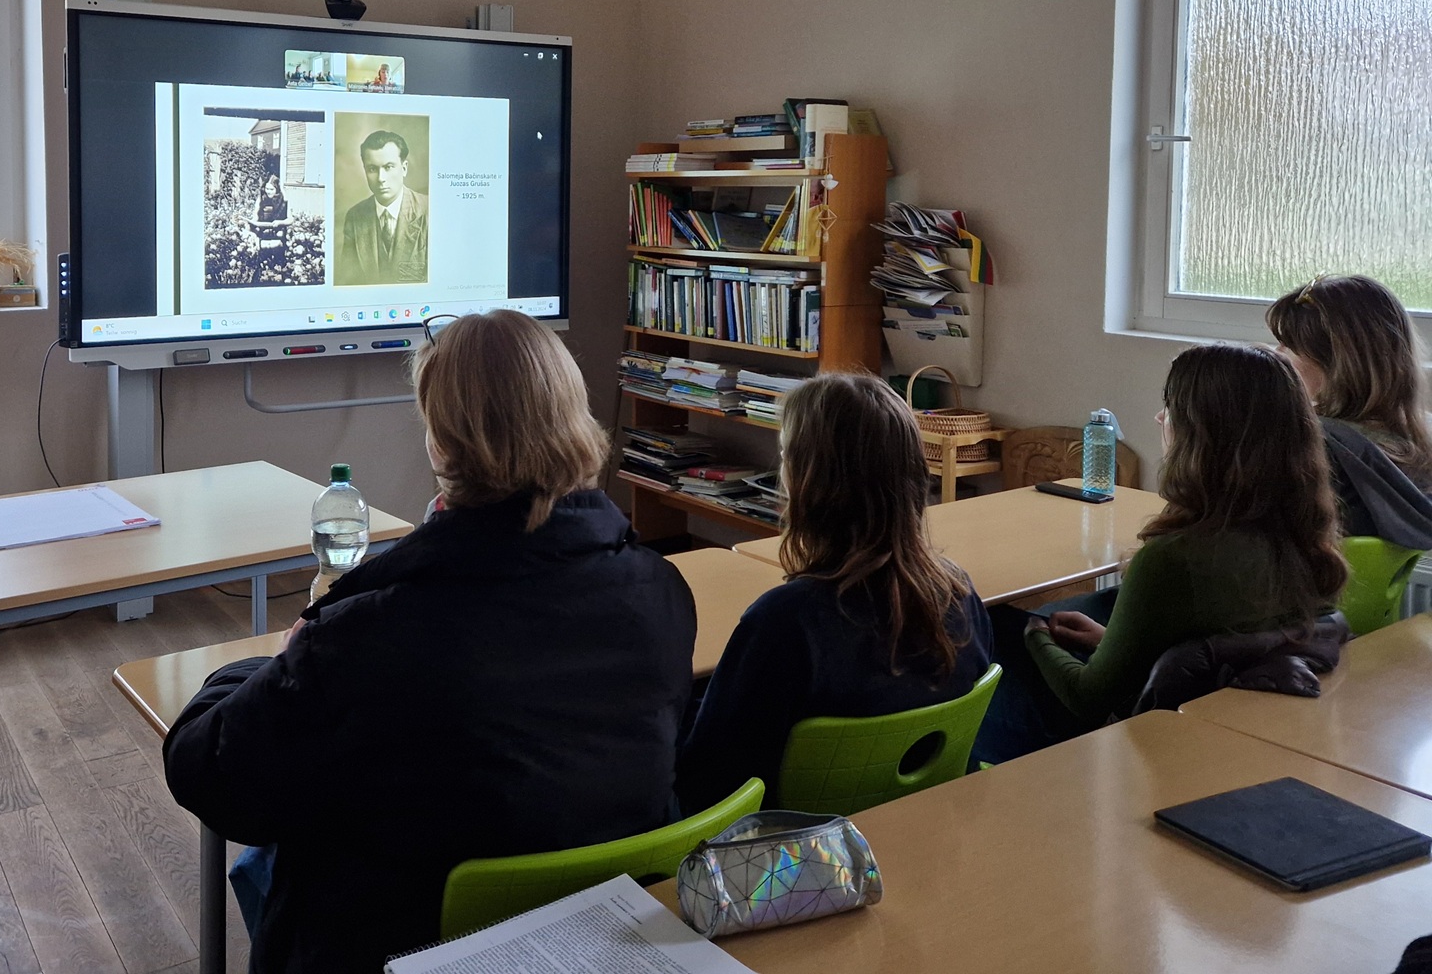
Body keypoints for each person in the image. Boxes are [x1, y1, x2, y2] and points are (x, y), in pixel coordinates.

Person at [162, 309, 695, 973]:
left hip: (404, 945)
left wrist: (260, 666)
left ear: (441, 445)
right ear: (572, 418)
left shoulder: (369, 634)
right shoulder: (661, 592)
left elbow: (207, 774)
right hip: (597, 938)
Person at [976, 344, 1347, 763]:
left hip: (1111, 739)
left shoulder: (1175, 559)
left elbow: (1088, 699)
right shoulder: (1308, 542)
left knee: (986, 634)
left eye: (1169, 407)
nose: (1159, 418)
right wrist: (1111, 642)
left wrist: (1036, 636)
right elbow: (1210, 651)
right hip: (1215, 738)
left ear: (1202, 432)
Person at [674, 374, 991, 814]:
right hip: (919, 826)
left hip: (791, 856)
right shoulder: (959, 594)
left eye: (786, 456)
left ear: (809, 482)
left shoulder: (784, 622)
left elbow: (709, 782)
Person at [1266, 274, 1432, 548]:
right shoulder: (1414, 439)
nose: (1278, 354)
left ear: (1337, 362)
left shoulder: (1314, 446)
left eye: (1289, 345)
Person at [335, 129, 428, 284]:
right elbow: (349, 280)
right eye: (372, 169)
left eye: (389, 167)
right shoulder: (355, 216)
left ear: (404, 168)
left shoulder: (429, 211)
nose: (381, 178)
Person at [250, 174, 289, 282]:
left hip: (278, 236)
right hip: (263, 236)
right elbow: (255, 217)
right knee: (262, 266)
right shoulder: (261, 199)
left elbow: (290, 219)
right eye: (267, 188)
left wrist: (280, 222)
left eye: (271, 189)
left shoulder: (283, 200)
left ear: (277, 189)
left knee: (277, 268)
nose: (268, 191)